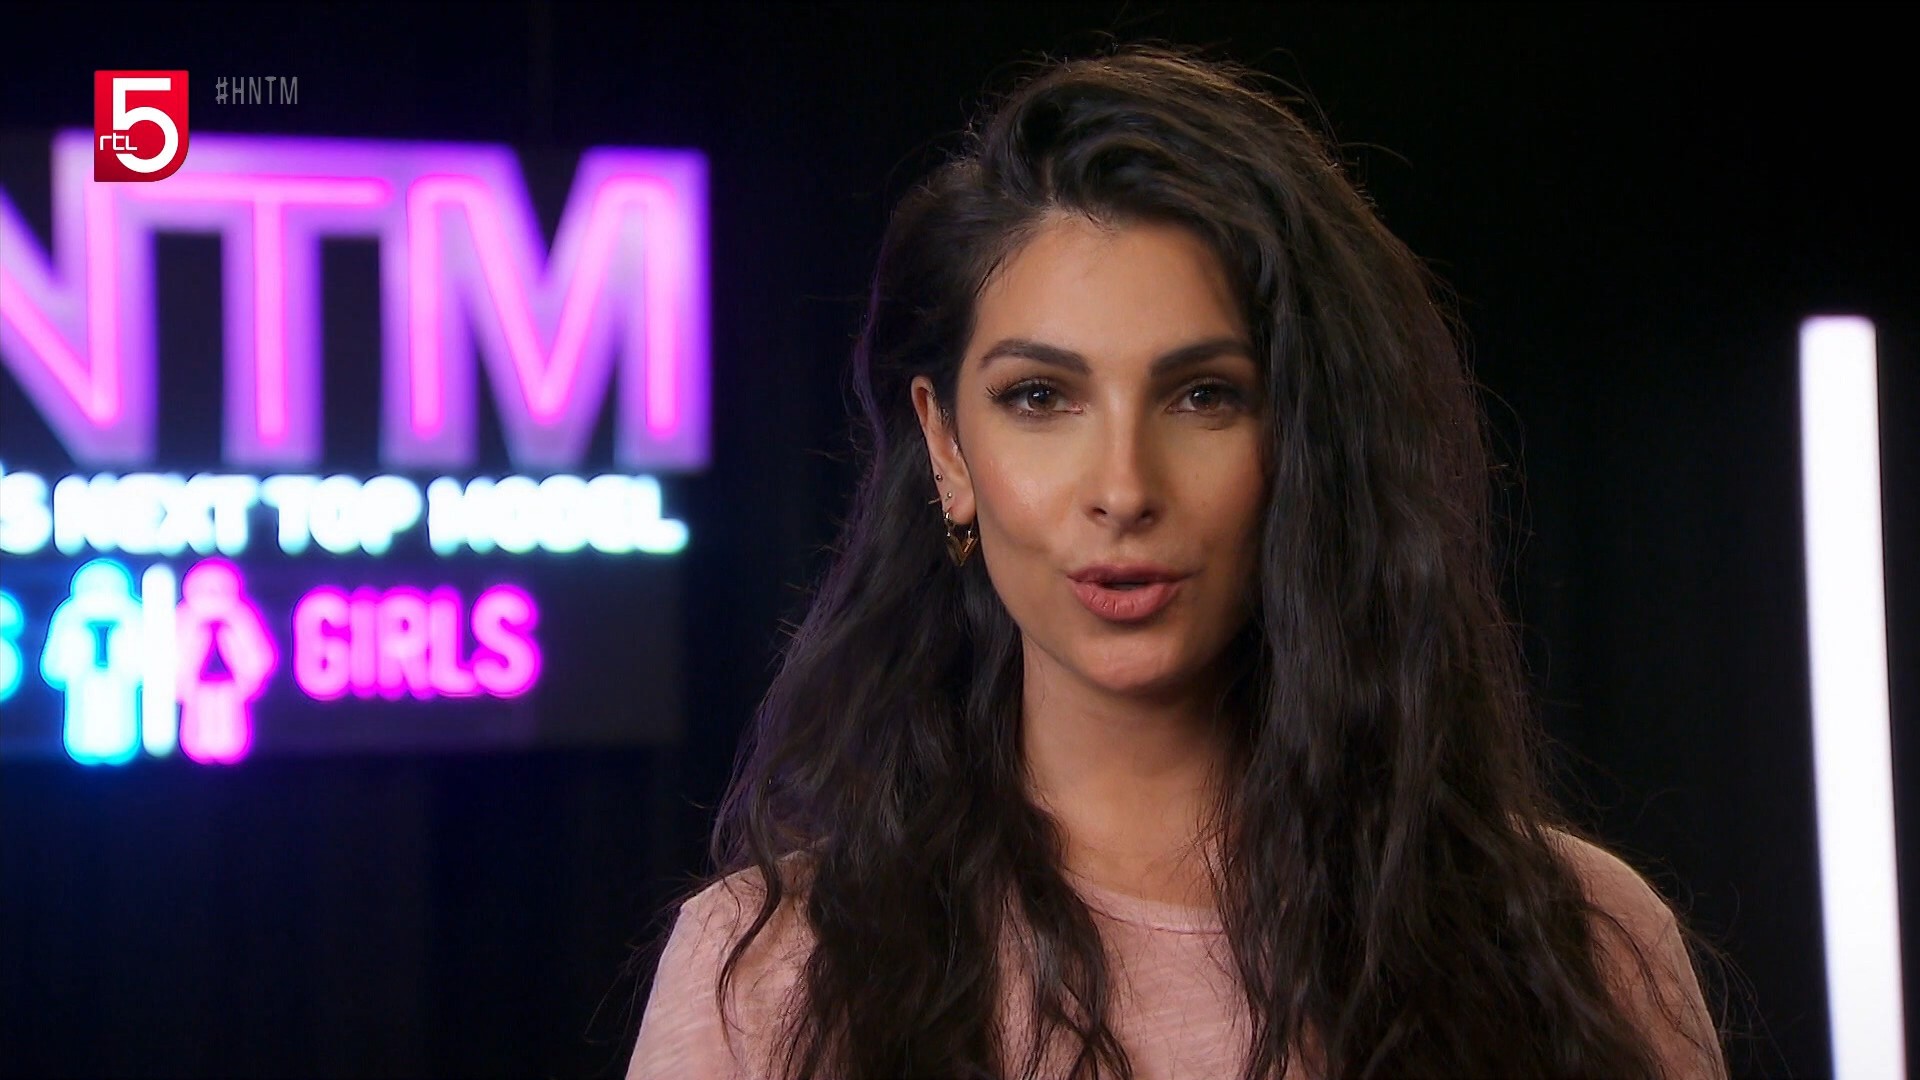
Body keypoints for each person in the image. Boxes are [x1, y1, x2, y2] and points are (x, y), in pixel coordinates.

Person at [628, 43, 1727, 1080]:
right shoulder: (771, 974)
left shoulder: (1570, 943)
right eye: (1039, 397)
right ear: (948, 449)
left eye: (1204, 395)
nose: (1123, 487)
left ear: (1305, 442)